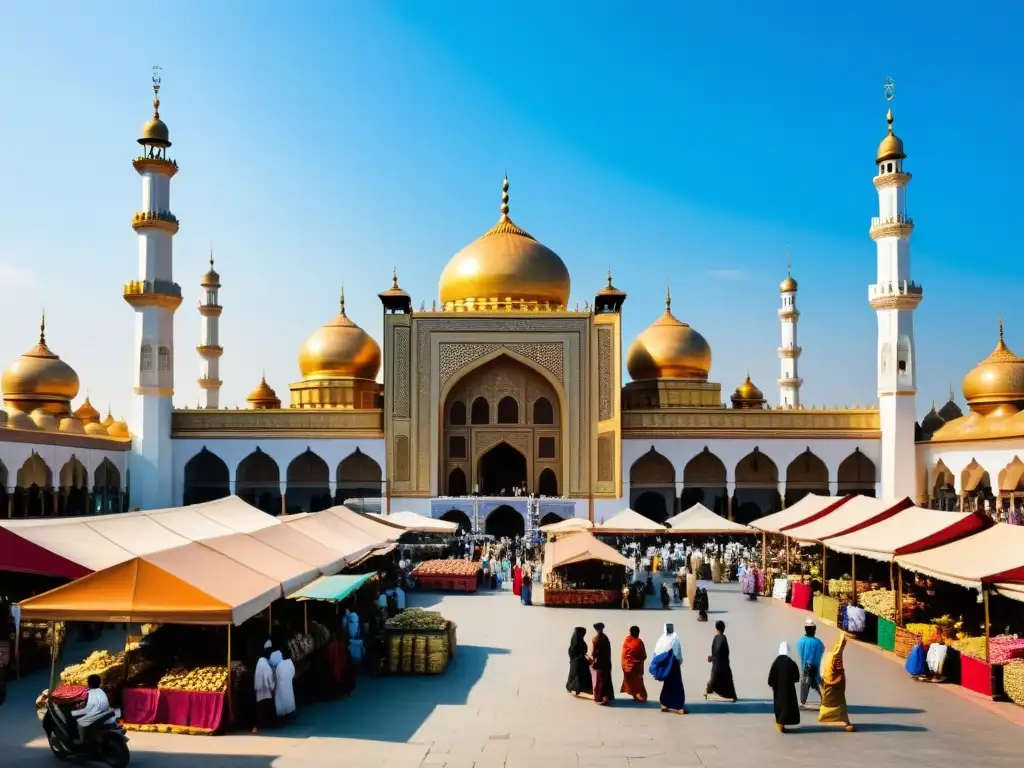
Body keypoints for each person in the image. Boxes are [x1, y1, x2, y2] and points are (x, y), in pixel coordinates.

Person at [818, 635, 855, 731]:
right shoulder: (834, 657)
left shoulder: (830, 657)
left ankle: (831, 718)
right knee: (839, 704)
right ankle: (845, 722)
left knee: (830, 701)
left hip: (830, 682)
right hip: (834, 685)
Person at [649, 622, 685, 714]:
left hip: (665, 667)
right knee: (677, 686)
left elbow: (656, 653)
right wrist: (679, 662)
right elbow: (677, 654)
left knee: (668, 684)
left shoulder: (661, 640)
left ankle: (664, 703)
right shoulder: (674, 640)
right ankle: (678, 707)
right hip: (674, 666)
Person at [768, 642, 801, 733]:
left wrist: (773, 685)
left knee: (779, 706)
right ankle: (782, 723)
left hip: (778, 689)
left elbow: (771, 677)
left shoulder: (776, 662)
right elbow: (796, 677)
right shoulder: (791, 662)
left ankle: (780, 723)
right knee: (788, 706)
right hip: (788, 689)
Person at [71, 674, 110, 743]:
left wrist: (77, 707)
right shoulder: (101, 691)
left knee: (73, 718)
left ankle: (82, 739)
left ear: (89, 684)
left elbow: (85, 706)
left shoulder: (89, 693)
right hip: (104, 712)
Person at [705, 620, 738, 702]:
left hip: (717, 663)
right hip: (721, 663)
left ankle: (709, 690)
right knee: (725, 679)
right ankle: (730, 695)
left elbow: (716, 650)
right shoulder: (722, 638)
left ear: (716, 628)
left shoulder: (717, 638)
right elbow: (722, 651)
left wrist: (712, 658)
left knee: (715, 678)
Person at [796, 619, 825, 708]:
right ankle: (825, 699)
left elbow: (800, 652)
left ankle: (803, 701)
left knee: (804, 683)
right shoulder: (819, 642)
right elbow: (822, 651)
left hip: (805, 667)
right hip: (816, 667)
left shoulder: (801, 641)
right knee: (818, 683)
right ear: (814, 630)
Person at [620, 626, 648, 702]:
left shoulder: (627, 641)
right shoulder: (639, 642)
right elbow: (643, 655)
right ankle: (638, 695)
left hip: (627, 666)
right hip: (636, 667)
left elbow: (624, 654)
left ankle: (635, 694)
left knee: (630, 681)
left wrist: (623, 664)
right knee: (638, 683)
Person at [253, 645, 276, 731]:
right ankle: (270, 724)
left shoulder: (260, 662)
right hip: (266, 690)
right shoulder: (265, 664)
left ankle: (261, 724)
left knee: (260, 707)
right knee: (268, 706)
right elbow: (269, 676)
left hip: (259, 689)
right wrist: (272, 686)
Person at [590, 622, 614, 705]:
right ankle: (607, 697)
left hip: (599, 662)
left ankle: (600, 697)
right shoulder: (605, 638)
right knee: (606, 678)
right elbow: (608, 651)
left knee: (600, 679)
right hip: (606, 661)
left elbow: (593, 652)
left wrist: (592, 659)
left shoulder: (595, 638)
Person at [566, 626, 593, 697]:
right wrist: (585, 658)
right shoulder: (577, 642)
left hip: (578, 662)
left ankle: (576, 688)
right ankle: (577, 689)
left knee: (575, 675)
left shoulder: (576, 641)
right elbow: (576, 653)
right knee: (578, 675)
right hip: (578, 663)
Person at [273, 650, 297, 721]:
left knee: (281, 701)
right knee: (289, 699)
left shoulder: (279, 666)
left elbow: (276, 677)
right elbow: (293, 673)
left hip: (281, 686)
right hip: (288, 684)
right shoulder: (289, 663)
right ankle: (289, 714)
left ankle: (283, 716)